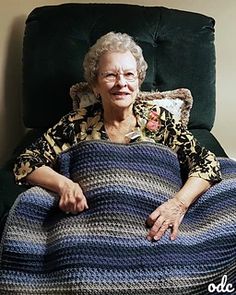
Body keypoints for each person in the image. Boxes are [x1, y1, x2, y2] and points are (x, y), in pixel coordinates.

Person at [13, 32, 221, 242]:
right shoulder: (76, 123)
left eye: (129, 74)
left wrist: (178, 204)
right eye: (110, 75)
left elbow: (207, 163)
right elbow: (26, 162)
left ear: (139, 80)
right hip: (92, 230)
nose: (121, 83)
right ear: (95, 84)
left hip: (156, 228)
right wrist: (65, 185)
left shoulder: (161, 121)